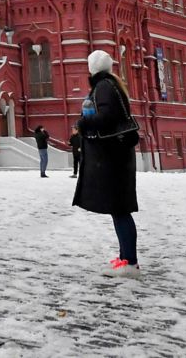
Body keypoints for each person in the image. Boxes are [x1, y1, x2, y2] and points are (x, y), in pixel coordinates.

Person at [73, 49, 140, 278]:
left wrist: (84, 123)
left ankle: (130, 262)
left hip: (114, 159)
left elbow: (108, 117)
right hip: (117, 157)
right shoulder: (112, 85)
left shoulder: (103, 87)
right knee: (119, 210)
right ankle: (126, 259)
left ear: (93, 68)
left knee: (120, 210)